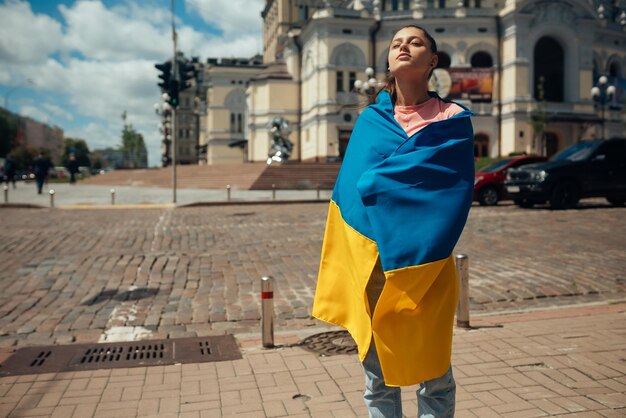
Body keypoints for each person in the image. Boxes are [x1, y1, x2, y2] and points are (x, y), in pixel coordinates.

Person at [312, 25, 475, 418]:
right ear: (389, 59)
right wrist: (380, 184)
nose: (404, 46)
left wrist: (380, 182)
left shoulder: (452, 120)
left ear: (433, 61)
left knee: (434, 372)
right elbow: (351, 189)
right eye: (396, 43)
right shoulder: (370, 120)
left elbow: (453, 189)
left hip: (427, 261)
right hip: (372, 262)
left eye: (415, 42)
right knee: (377, 374)